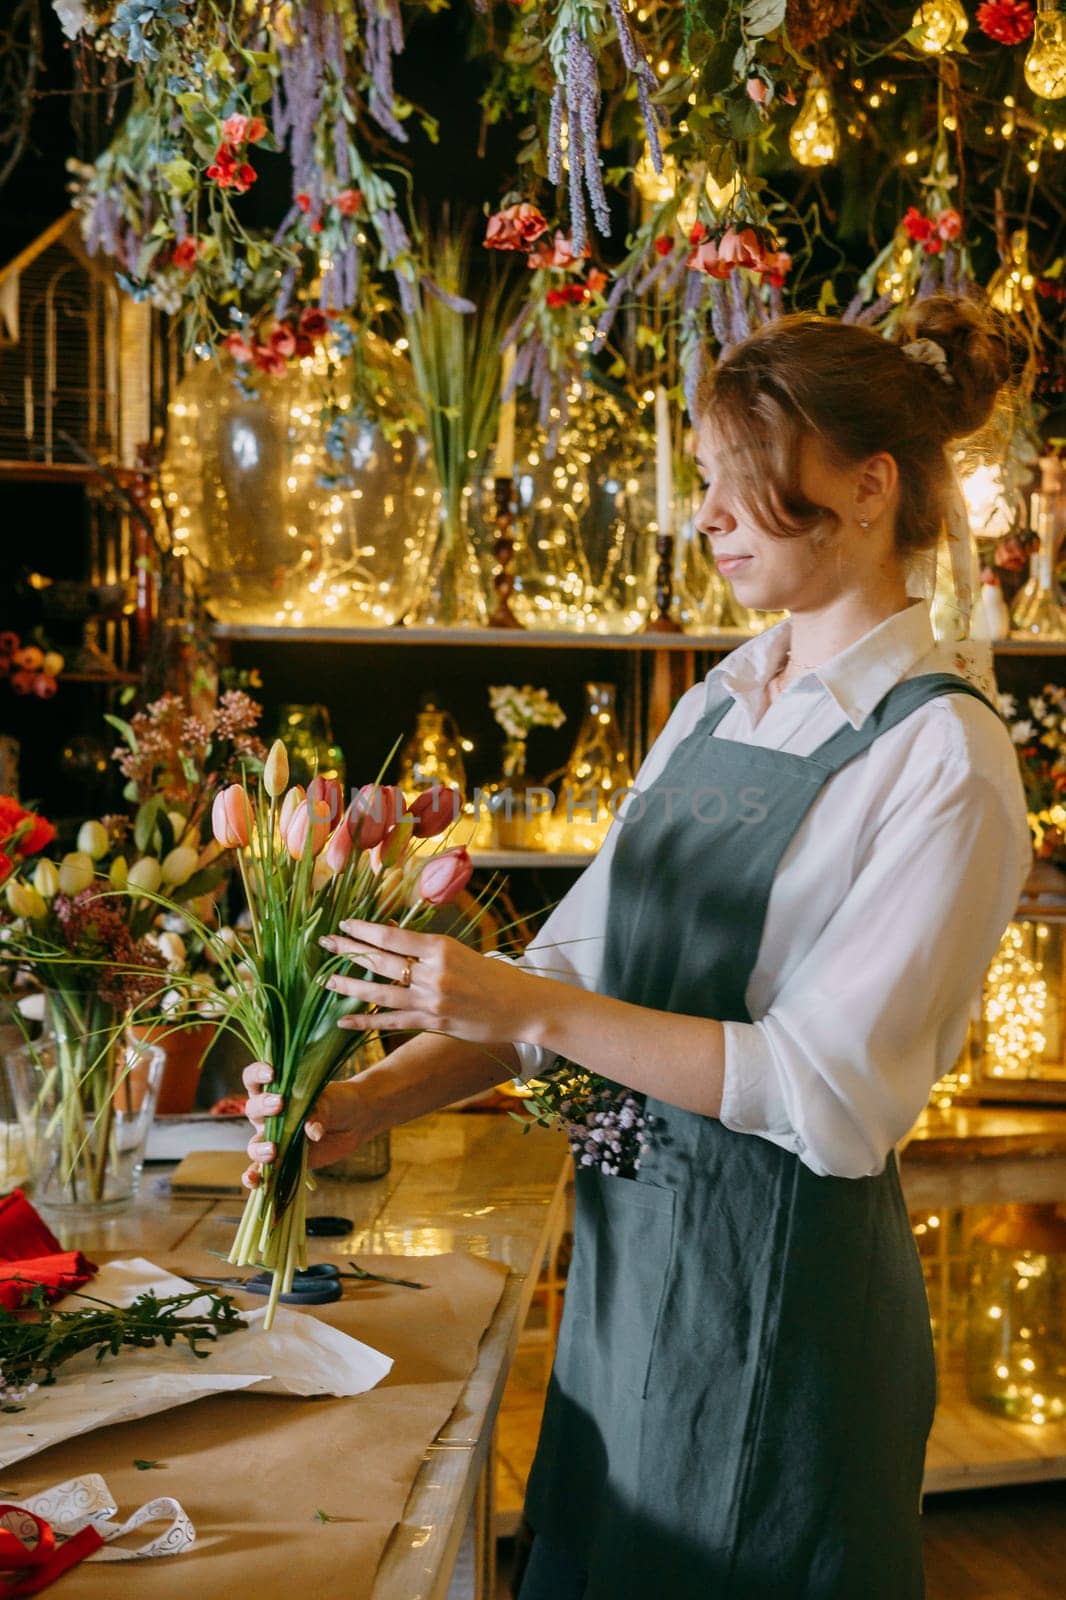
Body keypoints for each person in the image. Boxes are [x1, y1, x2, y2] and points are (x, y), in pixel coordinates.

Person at [243, 296, 1032, 1598]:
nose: (705, 516)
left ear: (868, 484)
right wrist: (364, 1101)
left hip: (781, 1315)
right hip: (625, 1286)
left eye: (739, 482)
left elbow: (825, 1101)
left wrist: (526, 1014)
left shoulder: (940, 753)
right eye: (703, 483)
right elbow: (572, 977)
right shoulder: (723, 697)